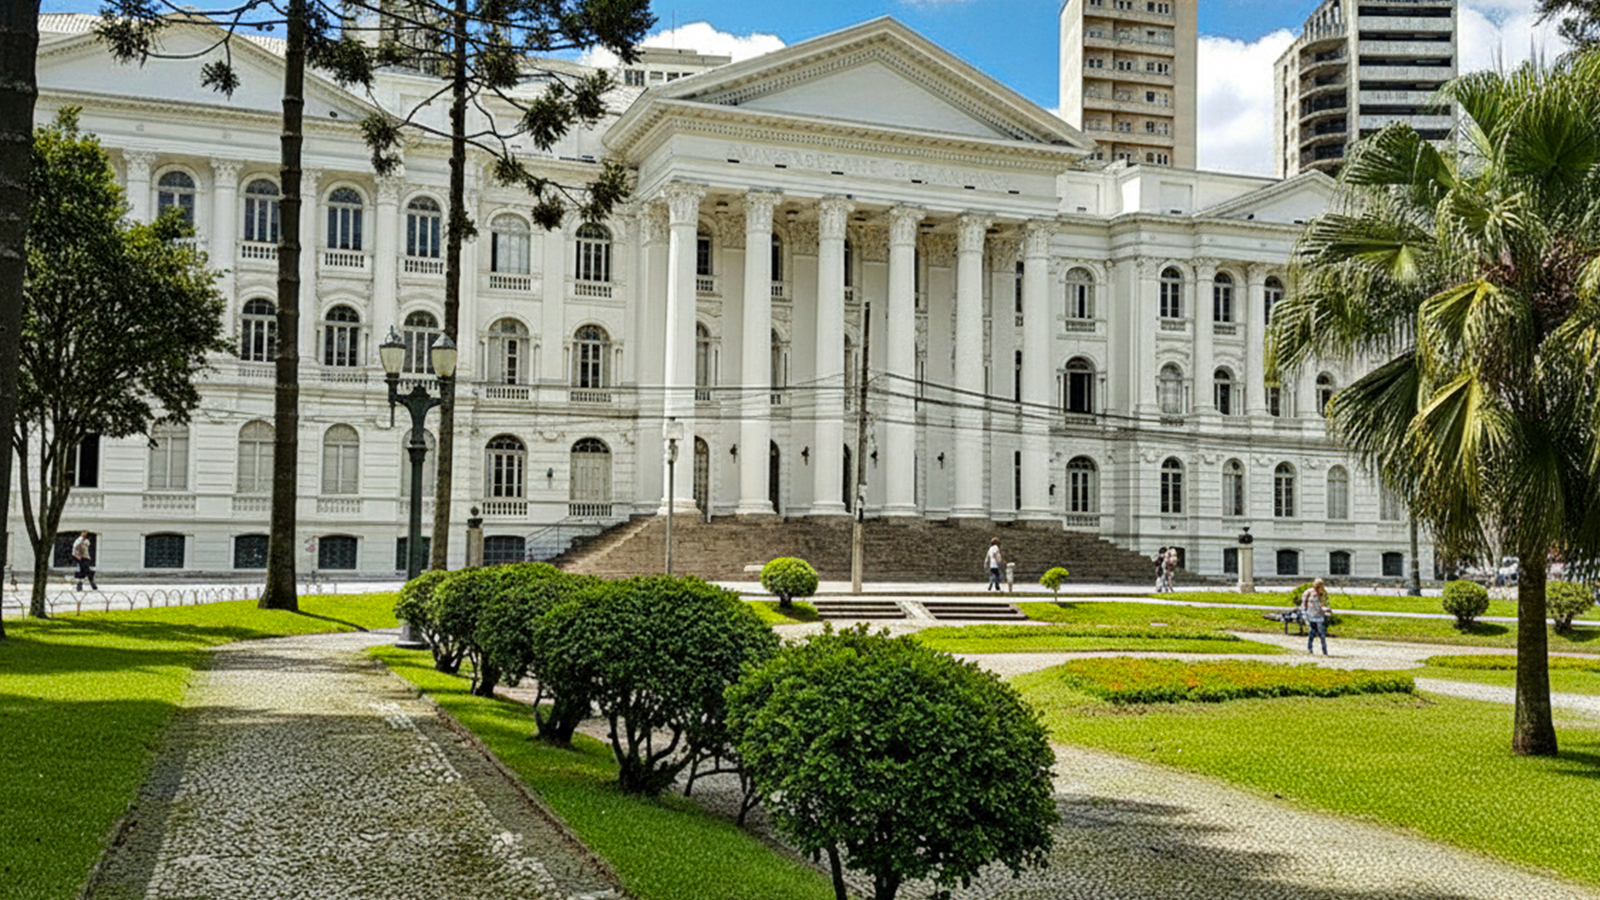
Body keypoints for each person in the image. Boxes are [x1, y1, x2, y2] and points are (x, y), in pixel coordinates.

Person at [1300, 578, 1332, 655]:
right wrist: (1304, 613)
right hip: (1311, 615)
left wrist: (1326, 610)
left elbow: (1321, 605)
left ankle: (1324, 650)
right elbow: (1304, 604)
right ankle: (1310, 648)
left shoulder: (1322, 594)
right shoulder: (1309, 593)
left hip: (1319, 616)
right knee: (1313, 632)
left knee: (1321, 633)